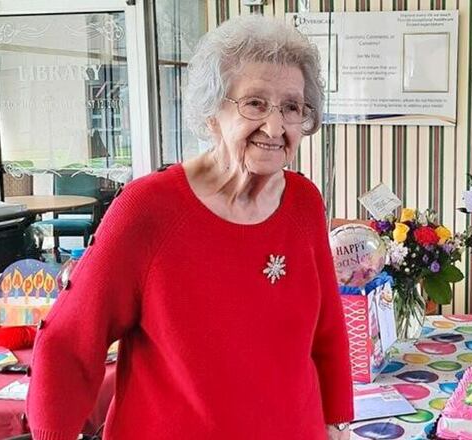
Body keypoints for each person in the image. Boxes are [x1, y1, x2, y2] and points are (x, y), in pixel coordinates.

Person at [27, 15, 353, 440]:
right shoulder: (149, 209)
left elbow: (328, 329)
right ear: (212, 112)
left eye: (291, 107)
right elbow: (70, 340)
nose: (275, 128)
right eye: (255, 104)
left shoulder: (304, 203)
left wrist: (336, 421)